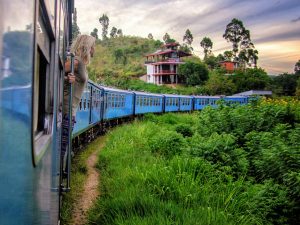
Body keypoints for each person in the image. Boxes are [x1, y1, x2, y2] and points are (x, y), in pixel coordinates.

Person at [61, 34, 96, 157]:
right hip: (66, 110)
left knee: (63, 148)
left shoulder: (81, 63)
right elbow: (55, 71)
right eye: (93, 46)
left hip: (71, 111)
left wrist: (68, 79)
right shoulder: (76, 61)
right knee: (61, 151)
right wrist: (65, 78)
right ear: (87, 47)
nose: (94, 49)